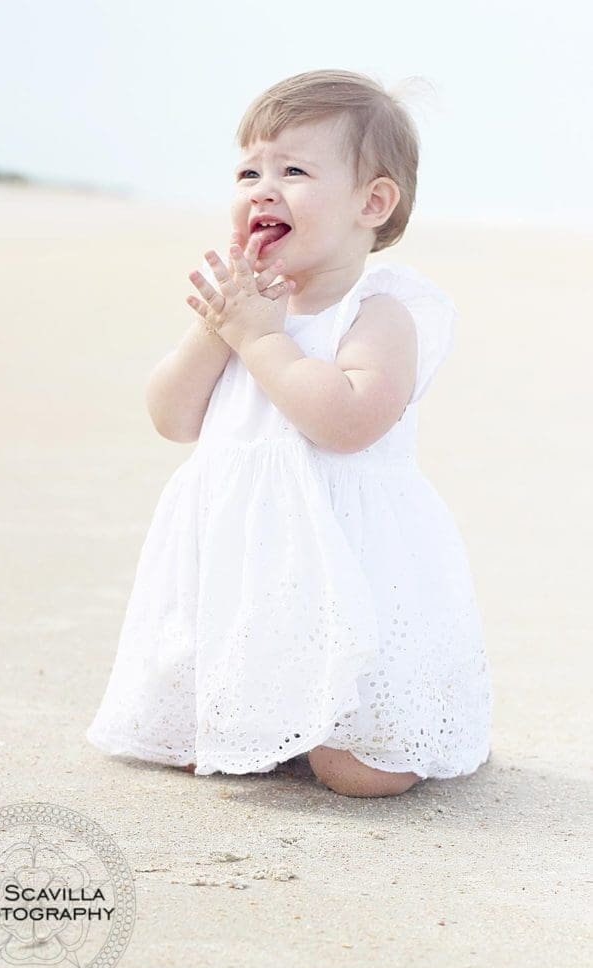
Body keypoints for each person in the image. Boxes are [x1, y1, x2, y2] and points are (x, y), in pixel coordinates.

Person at [86, 68, 493, 798]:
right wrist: (222, 331)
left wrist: (262, 341)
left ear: (371, 202)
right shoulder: (243, 311)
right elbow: (172, 418)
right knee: (201, 738)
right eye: (248, 170)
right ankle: (268, 721)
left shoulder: (379, 310)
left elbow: (346, 421)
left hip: (350, 557)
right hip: (249, 551)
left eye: (293, 170)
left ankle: (371, 733)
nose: (260, 188)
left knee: (358, 771)